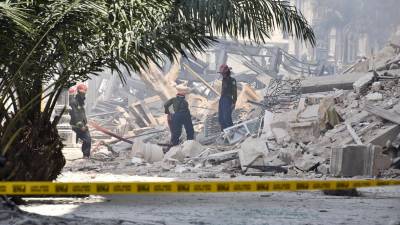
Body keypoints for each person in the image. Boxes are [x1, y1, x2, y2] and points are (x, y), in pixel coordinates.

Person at [69, 83, 91, 158]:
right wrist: (81, 126)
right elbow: (75, 115)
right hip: (75, 127)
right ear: (78, 92)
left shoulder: (81, 102)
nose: (83, 95)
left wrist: (86, 123)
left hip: (82, 126)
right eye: (81, 93)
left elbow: (82, 114)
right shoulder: (73, 102)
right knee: (72, 143)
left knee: (88, 140)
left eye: (84, 93)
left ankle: (86, 155)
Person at [218, 64, 237, 130]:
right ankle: (224, 132)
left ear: (227, 72)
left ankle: (230, 131)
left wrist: (234, 102)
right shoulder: (224, 80)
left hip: (227, 99)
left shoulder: (232, 80)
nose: (222, 75)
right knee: (221, 118)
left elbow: (234, 92)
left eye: (223, 73)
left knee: (227, 117)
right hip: (222, 99)